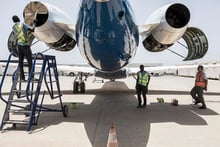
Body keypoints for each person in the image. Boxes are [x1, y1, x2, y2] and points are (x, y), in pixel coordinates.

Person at [12, 15, 35, 81]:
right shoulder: (22, 24)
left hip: (19, 46)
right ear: (18, 19)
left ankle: (22, 78)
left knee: (21, 63)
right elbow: (32, 30)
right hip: (25, 45)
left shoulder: (14, 27)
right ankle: (31, 77)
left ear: (13, 21)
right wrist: (35, 23)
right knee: (30, 62)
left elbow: (16, 35)